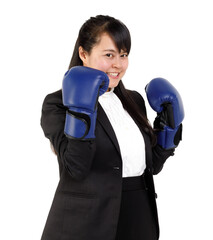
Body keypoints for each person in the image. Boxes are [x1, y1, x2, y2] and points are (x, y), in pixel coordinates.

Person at [40, 15, 184, 240]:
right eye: (109, 55)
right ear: (83, 54)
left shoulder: (133, 101)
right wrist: (81, 110)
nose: (118, 64)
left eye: (123, 55)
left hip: (138, 216)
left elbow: (150, 166)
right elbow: (76, 168)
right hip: (86, 224)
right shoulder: (58, 104)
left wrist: (169, 130)